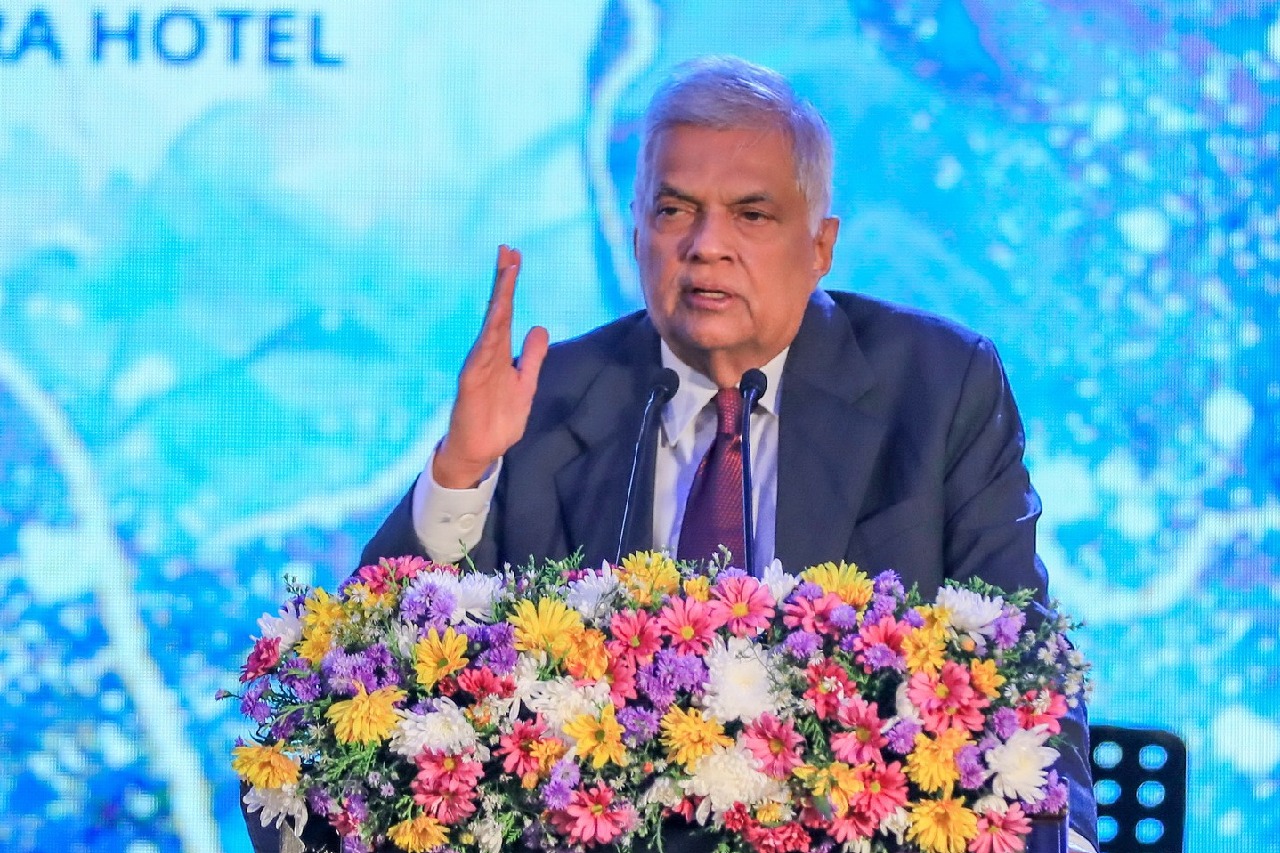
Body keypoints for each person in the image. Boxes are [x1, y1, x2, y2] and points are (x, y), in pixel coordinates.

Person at [248, 56, 1098, 852]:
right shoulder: (546, 398)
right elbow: (361, 680)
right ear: (636, 233)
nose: (705, 245)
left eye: (751, 214)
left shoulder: (937, 386)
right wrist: (462, 468)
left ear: (820, 245)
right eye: (674, 210)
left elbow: (1026, 676)